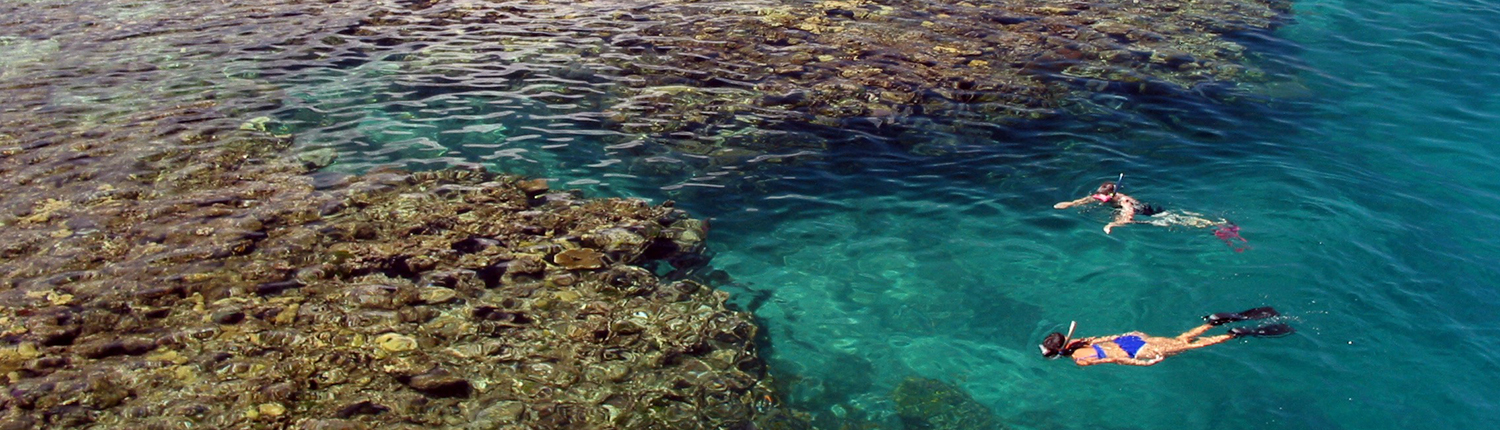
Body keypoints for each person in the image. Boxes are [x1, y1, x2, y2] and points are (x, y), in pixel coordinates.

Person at [1038, 307, 1292, 366]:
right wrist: (1130, 333)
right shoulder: (1081, 340)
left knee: (1189, 347)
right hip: (1131, 341)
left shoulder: (1079, 359)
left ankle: (1232, 334)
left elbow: (1114, 360)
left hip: (1134, 351)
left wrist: (1145, 363)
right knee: (1182, 339)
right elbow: (1112, 337)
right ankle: (1214, 323)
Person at [1053, 180, 1224, 234]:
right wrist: (1070, 204)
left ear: (1112, 195)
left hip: (1148, 213)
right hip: (1144, 208)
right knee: (1174, 217)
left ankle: (1212, 224)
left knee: (1174, 220)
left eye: (1104, 197)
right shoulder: (1104, 196)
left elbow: (1129, 216)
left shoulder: (1124, 201)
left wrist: (1112, 224)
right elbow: (1086, 200)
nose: (1100, 199)